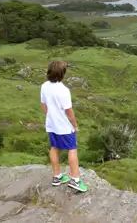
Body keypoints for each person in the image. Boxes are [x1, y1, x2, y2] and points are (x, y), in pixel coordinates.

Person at [40, 60, 88, 192]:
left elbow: (43, 104)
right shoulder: (64, 90)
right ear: (62, 74)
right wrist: (75, 125)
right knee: (72, 149)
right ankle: (75, 180)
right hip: (64, 126)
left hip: (51, 124)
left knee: (54, 147)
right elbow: (69, 111)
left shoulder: (44, 86)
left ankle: (57, 177)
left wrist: (49, 117)